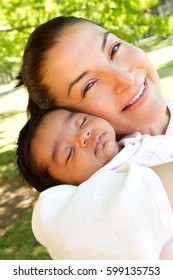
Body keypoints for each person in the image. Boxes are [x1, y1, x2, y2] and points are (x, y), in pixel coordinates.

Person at [16, 16, 173, 259]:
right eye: (88, 86)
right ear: (63, 115)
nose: (126, 78)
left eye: (114, 48)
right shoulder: (80, 210)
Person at [16, 107, 173, 259]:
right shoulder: (107, 191)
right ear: (68, 187)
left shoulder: (135, 139)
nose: (83, 135)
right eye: (69, 152)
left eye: (82, 122)